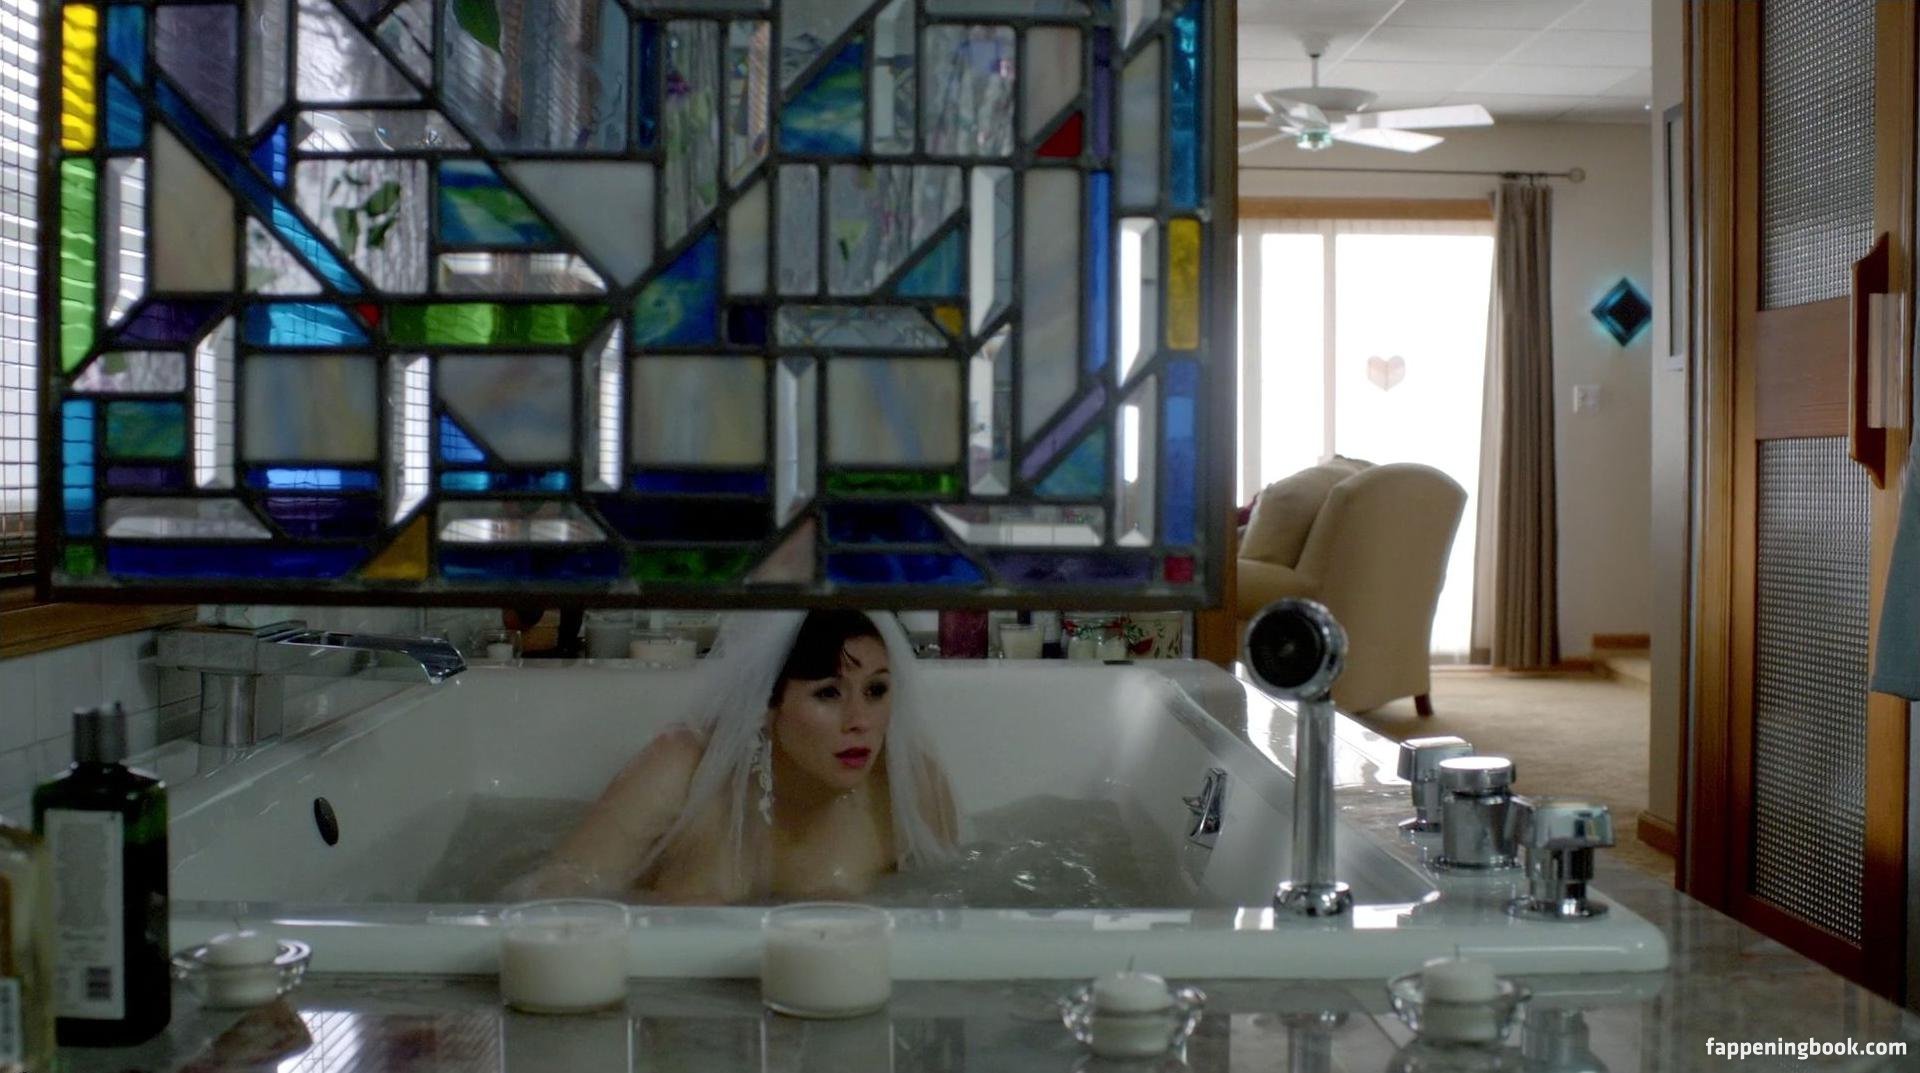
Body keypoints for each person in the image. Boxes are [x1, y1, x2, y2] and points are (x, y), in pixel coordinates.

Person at [513, 610, 958, 903]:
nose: (860, 721)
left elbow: (955, 906)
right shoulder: (683, 770)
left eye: (876, 690)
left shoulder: (907, 787)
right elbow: (554, 892)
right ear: (766, 704)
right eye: (828, 693)